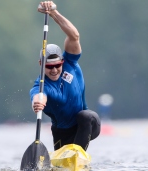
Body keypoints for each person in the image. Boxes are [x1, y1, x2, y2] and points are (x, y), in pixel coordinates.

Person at [30, 1, 101, 151]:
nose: (54, 70)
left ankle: (77, 154)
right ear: (41, 64)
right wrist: (38, 104)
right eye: (49, 67)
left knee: (84, 116)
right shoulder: (41, 85)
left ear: (62, 61)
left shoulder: (70, 62)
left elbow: (74, 35)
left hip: (87, 124)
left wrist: (53, 13)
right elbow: (38, 96)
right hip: (61, 132)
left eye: (57, 65)